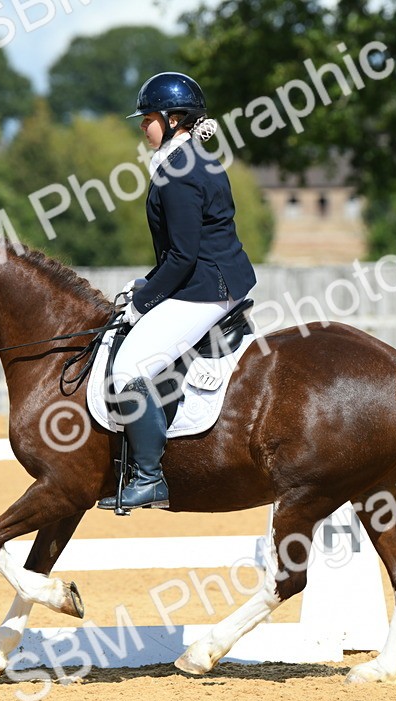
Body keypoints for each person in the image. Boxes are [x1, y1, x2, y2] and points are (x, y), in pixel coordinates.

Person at [97, 72, 257, 511]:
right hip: (209, 279)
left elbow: (183, 256)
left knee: (129, 367)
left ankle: (149, 477)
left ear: (173, 119)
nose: (141, 126)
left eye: (147, 118)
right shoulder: (188, 160)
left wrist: (142, 302)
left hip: (206, 287)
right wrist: (147, 285)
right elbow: (182, 251)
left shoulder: (178, 173)